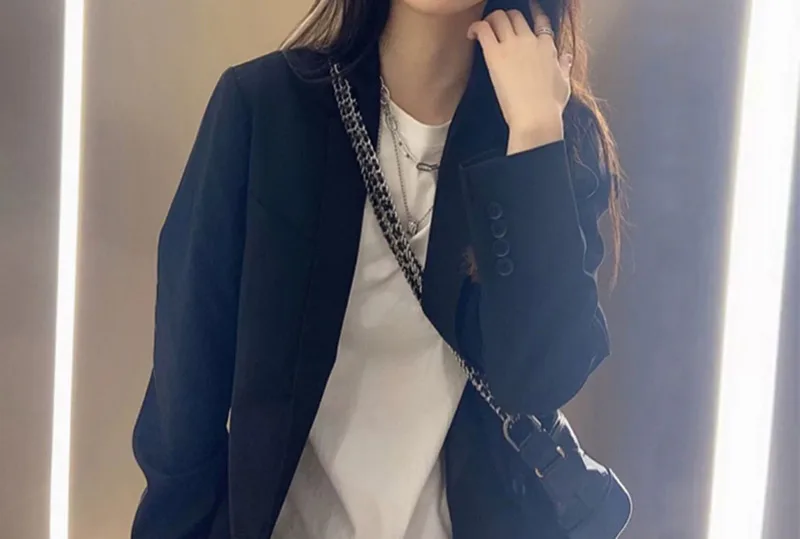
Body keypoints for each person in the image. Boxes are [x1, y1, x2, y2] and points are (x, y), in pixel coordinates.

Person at [130, 0, 624, 538]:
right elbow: (184, 401)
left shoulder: (552, 133)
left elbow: (540, 378)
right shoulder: (266, 108)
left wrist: (533, 134)